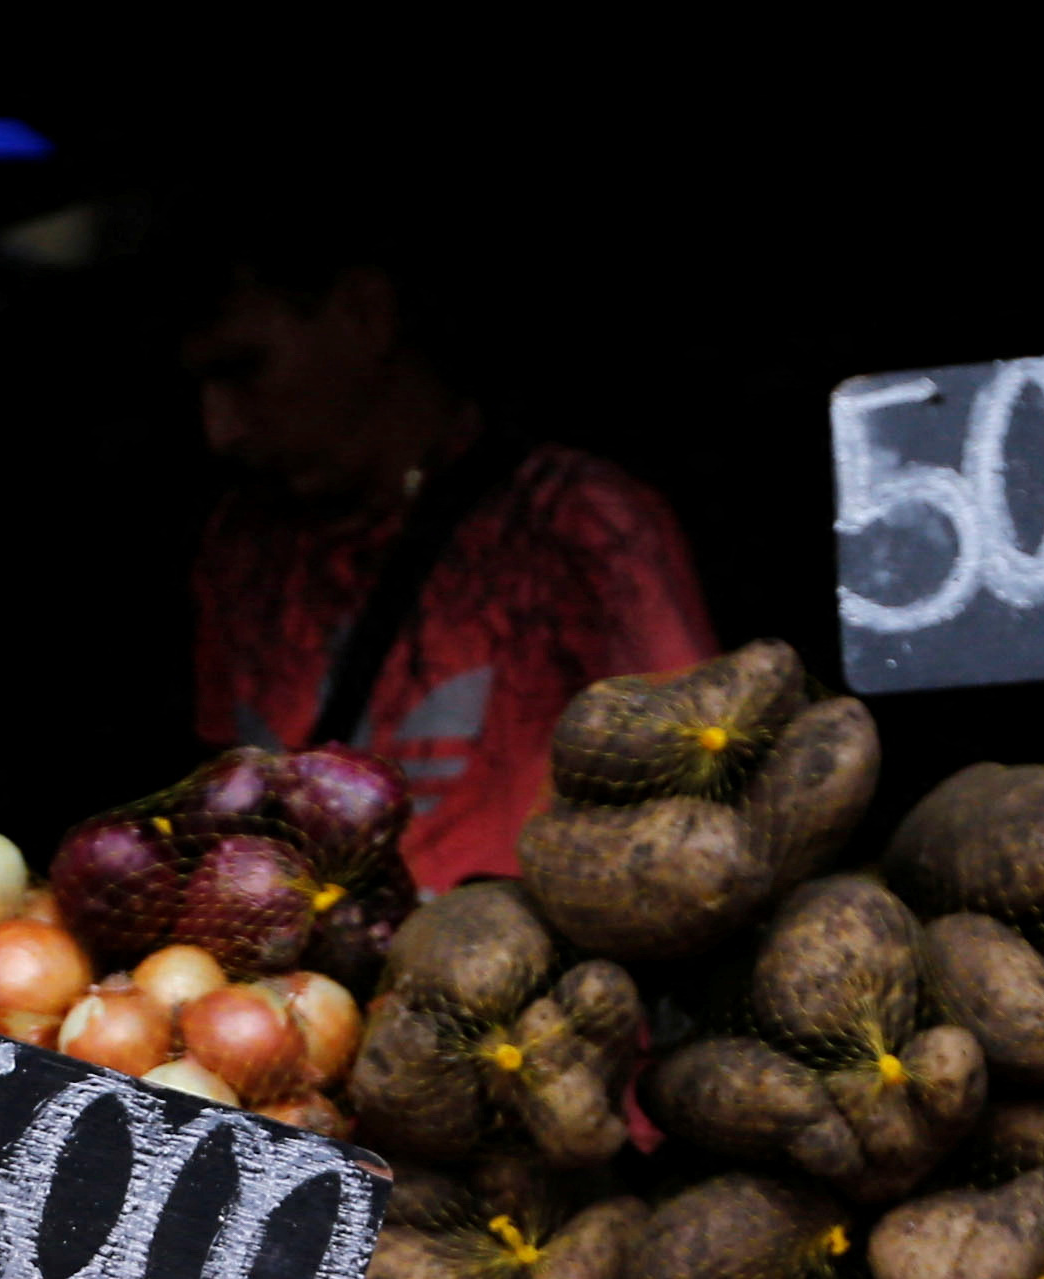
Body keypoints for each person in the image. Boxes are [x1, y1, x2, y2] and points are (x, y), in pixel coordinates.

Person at [181, 228, 715, 892]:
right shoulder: (237, 550)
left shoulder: (579, 522)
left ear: (365, 314)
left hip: (533, 976)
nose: (221, 430)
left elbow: (701, 803)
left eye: (245, 369)